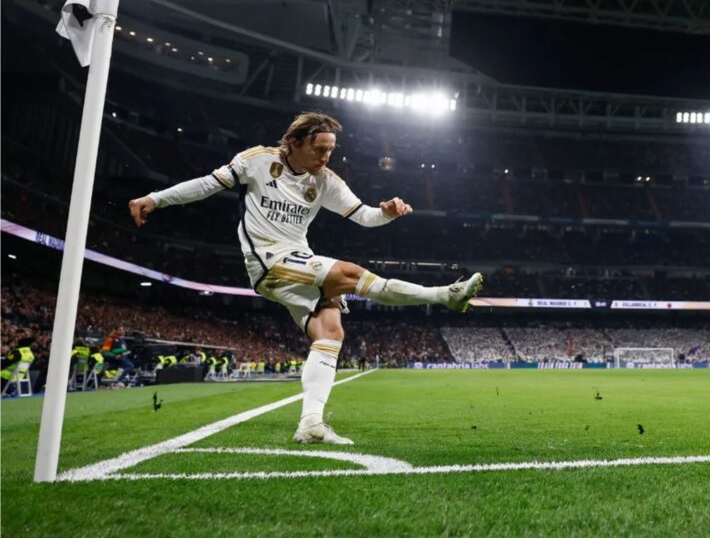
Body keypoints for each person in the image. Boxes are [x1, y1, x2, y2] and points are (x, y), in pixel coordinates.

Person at [128, 112, 483, 445]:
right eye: (319, 149)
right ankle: (444, 295)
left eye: (330, 149)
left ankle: (311, 423)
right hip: (267, 260)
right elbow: (207, 185)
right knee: (350, 273)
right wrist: (155, 199)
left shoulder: (325, 181)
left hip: (300, 259)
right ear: (294, 143)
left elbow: (364, 216)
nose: (326, 156)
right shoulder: (259, 161)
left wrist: (386, 213)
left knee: (330, 332)